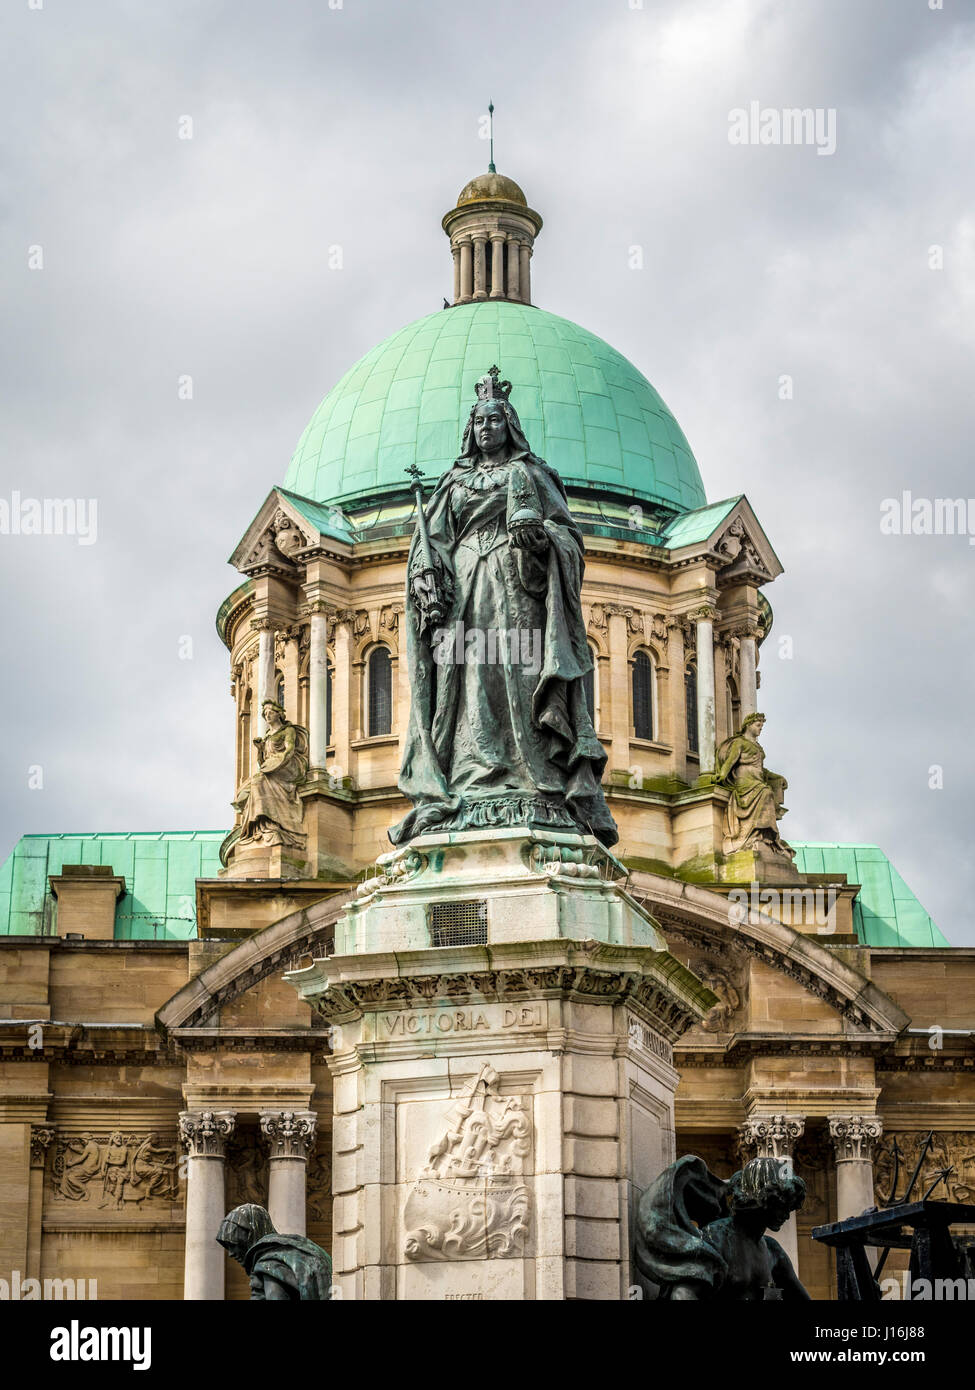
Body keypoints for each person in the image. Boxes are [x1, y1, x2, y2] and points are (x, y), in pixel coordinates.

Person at [390, 367, 616, 848]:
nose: (486, 428)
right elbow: (431, 544)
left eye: (494, 420)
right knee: (469, 681)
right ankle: (472, 772)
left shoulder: (530, 475)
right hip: (465, 592)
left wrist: (541, 539)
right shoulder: (453, 483)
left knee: (517, 672)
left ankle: (532, 775)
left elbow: (568, 536)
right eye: (479, 421)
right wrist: (426, 575)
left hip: (516, 589)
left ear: (509, 425)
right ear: (470, 429)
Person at [634, 1154, 809, 1300]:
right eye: (782, 1206)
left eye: (789, 1208)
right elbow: (682, 1294)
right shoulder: (715, 1238)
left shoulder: (773, 1250)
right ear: (763, 1199)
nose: (786, 1215)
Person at [231, 700, 308, 848]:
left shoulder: (287, 730)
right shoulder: (267, 736)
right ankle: (262, 826)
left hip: (288, 765)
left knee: (258, 782)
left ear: (279, 714)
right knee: (246, 790)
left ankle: (268, 825)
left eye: (270, 713)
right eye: (265, 714)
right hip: (271, 768)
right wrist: (260, 749)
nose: (267, 716)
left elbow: (289, 750)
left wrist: (278, 763)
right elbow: (262, 763)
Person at [714, 711, 792, 857]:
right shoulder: (740, 743)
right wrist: (722, 774)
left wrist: (777, 778)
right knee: (765, 792)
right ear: (748, 725)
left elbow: (762, 770)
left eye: (761, 726)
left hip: (757, 780)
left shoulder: (758, 747)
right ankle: (748, 835)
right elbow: (731, 761)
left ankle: (762, 835)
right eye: (757, 725)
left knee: (766, 791)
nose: (760, 728)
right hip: (745, 782)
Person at [216, 1204, 331, 1301]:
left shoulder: (269, 1264)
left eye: (233, 1245)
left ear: (249, 1237)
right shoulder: (300, 1250)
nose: (231, 1254)